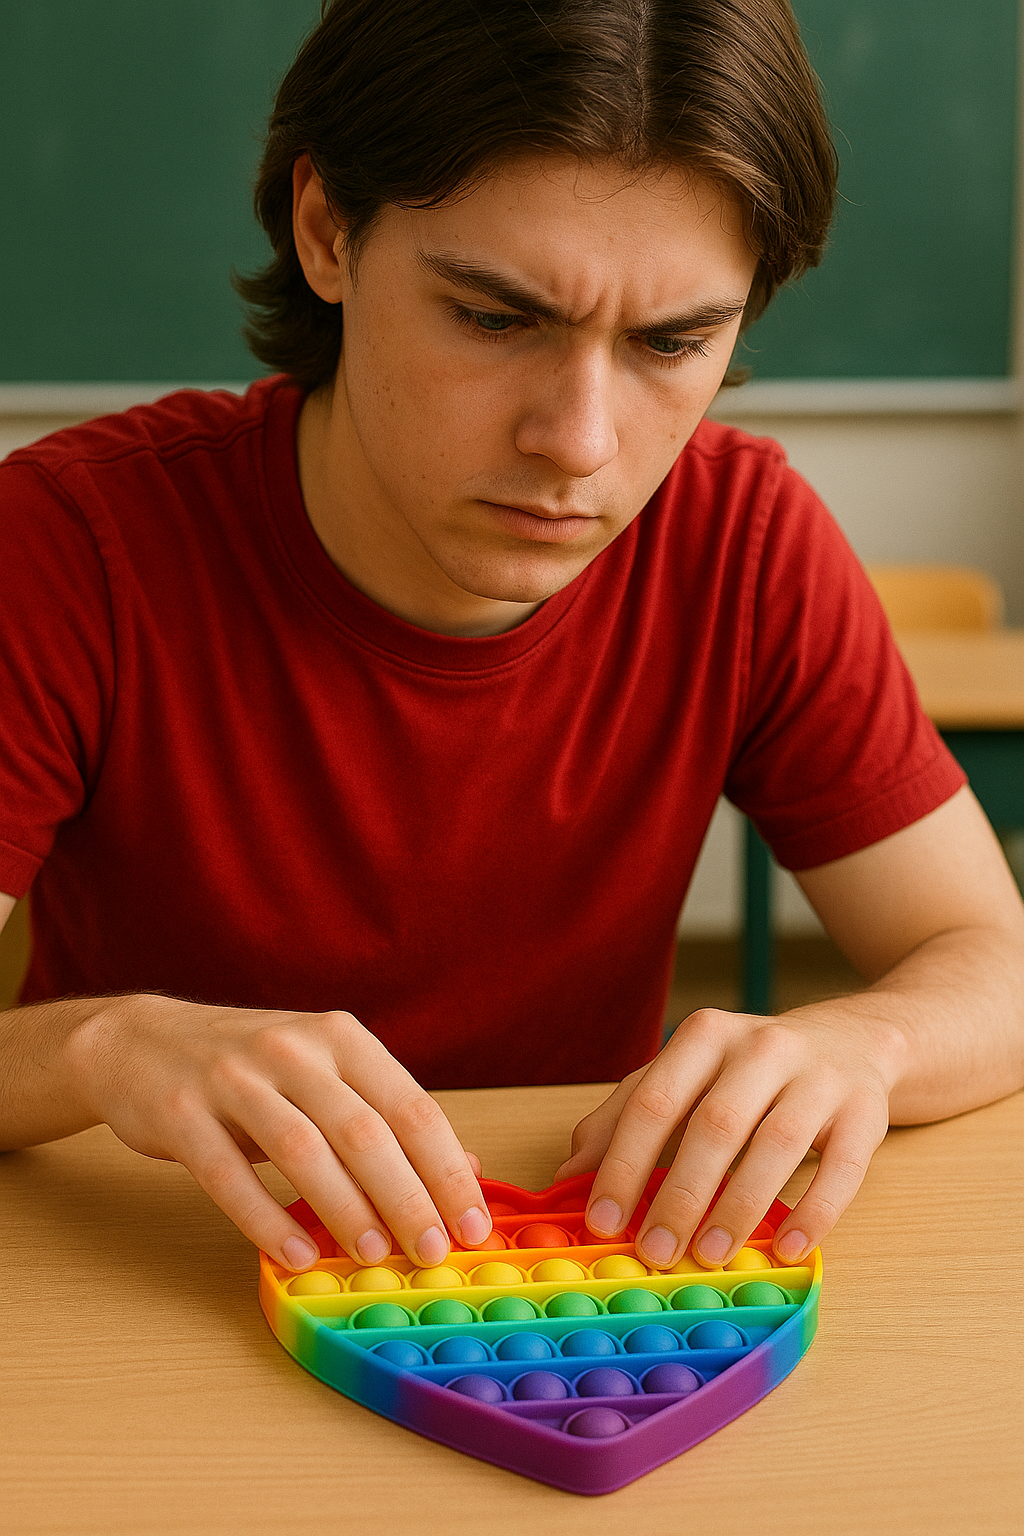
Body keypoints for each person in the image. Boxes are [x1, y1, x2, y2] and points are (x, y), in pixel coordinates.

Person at [1, 0, 1021, 1284]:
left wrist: (863, 1043)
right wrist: (101, 1046)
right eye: (493, 318)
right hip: (154, 1288)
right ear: (327, 230)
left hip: (567, 1300)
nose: (578, 443)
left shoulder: (742, 539)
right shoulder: (65, 545)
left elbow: (994, 965)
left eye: (671, 343)